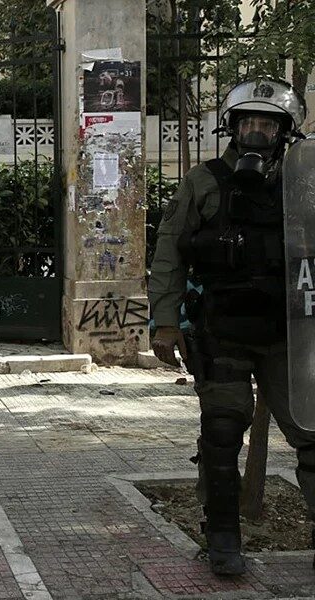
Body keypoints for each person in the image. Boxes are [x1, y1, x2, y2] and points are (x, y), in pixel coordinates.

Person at [149, 77, 315, 576]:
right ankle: (222, 536)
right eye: (249, 123)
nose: (258, 132)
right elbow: (169, 251)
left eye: (268, 124)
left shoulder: (305, 185)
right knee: (221, 432)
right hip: (223, 328)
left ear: (286, 132)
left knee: (310, 433)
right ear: (233, 127)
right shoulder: (204, 181)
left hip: (291, 334)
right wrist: (164, 322)